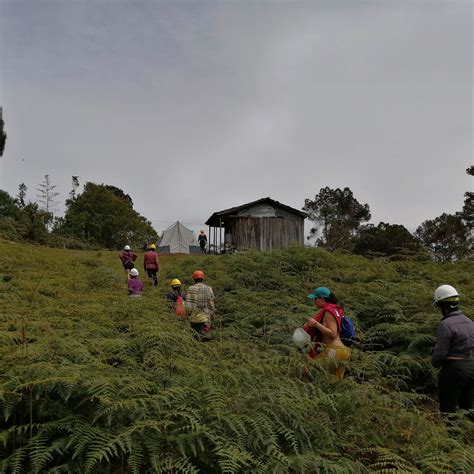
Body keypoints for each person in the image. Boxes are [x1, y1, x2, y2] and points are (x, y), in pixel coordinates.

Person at [431, 284, 474, 418]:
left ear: (443, 306)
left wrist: (434, 362)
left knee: (448, 408)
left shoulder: (446, 324)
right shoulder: (469, 322)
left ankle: (450, 436)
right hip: (472, 367)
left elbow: (440, 354)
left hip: (454, 370)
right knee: (468, 408)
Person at [303, 286, 351, 380]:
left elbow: (333, 333)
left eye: (315, 298)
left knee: (308, 369)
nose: (314, 301)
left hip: (334, 351)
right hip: (343, 351)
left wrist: (315, 323)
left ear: (321, 298)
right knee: (334, 383)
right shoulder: (336, 310)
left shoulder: (328, 312)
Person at [185, 270, 215, 340]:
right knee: (205, 339)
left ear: (194, 278)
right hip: (204, 319)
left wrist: (188, 314)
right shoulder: (208, 288)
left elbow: (188, 305)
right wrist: (212, 314)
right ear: (203, 278)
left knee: (195, 339)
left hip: (193, 319)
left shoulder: (191, 288)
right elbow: (212, 303)